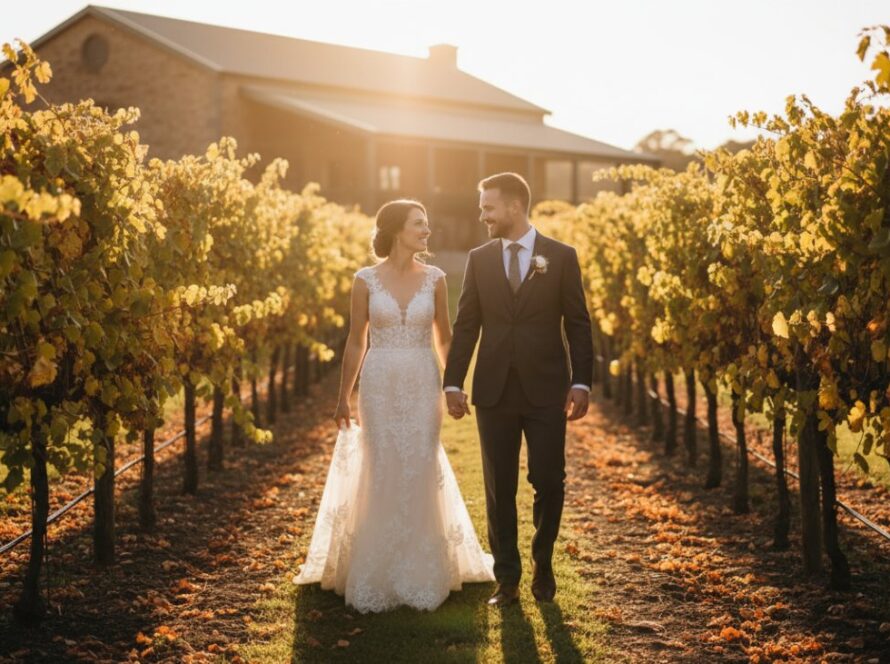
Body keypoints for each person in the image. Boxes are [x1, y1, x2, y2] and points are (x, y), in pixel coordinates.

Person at [293, 199, 494, 613]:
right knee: (382, 463)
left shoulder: (436, 278)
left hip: (422, 382)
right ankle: (377, 568)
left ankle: (421, 567)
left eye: (427, 222)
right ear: (396, 229)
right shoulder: (365, 280)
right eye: (419, 224)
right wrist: (342, 396)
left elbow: (444, 337)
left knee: (419, 461)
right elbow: (356, 340)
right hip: (379, 382)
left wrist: (453, 384)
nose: (427, 230)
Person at [443, 172, 593, 606]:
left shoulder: (561, 257)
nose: (482, 215)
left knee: (549, 479)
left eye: (488, 207)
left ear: (513, 207)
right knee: (499, 486)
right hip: (493, 390)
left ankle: (542, 564)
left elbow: (578, 323)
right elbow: (467, 323)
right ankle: (507, 579)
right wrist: (454, 380)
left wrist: (580, 381)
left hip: (547, 388)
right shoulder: (480, 258)